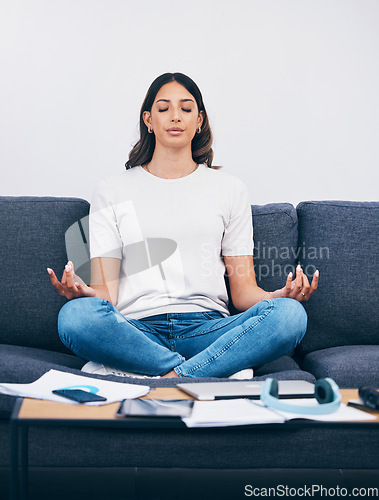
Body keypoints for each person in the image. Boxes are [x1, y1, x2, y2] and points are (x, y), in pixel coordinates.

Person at [48, 72, 319, 379]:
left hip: (208, 331)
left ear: (199, 120)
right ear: (148, 120)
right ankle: (199, 372)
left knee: (290, 316)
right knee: (75, 317)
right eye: (164, 109)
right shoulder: (111, 189)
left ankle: (171, 378)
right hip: (137, 331)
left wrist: (280, 295)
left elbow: (243, 293)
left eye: (186, 109)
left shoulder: (229, 189)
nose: (175, 116)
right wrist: (82, 291)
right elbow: (106, 293)